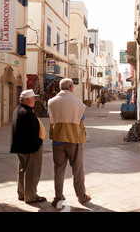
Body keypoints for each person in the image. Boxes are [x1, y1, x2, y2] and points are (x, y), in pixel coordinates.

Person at [47, 78, 91, 208]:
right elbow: (81, 121)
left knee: (59, 170)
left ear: (60, 88)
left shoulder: (51, 102)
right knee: (77, 170)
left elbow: (51, 117)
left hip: (57, 140)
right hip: (74, 140)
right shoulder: (78, 103)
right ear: (71, 87)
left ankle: (58, 197)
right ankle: (81, 196)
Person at [10, 89, 46, 203]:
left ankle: (22, 194)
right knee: (32, 172)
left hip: (20, 146)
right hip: (31, 148)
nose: (35, 100)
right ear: (28, 100)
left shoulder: (18, 110)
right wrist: (39, 142)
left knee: (23, 170)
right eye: (34, 98)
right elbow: (31, 133)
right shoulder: (27, 113)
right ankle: (31, 196)